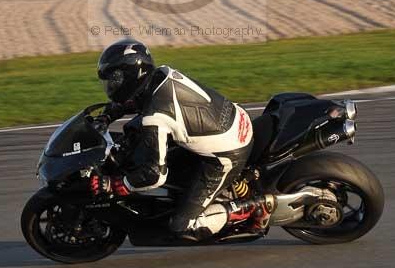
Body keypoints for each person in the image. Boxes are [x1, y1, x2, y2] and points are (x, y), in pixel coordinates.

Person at [91, 38, 271, 240]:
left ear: (132, 76)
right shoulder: (161, 74)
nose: (111, 85)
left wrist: (116, 184)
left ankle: (254, 208)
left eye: (115, 79)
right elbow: (135, 101)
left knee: (181, 226)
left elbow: (154, 175)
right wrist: (107, 116)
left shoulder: (155, 116)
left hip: (227, 153)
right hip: (233, 118)